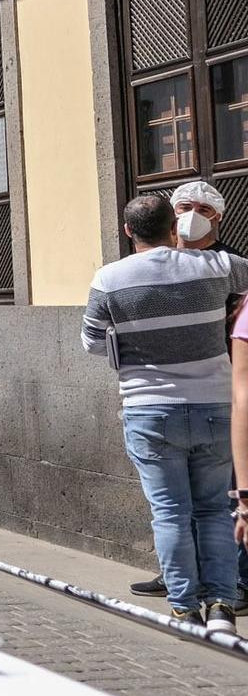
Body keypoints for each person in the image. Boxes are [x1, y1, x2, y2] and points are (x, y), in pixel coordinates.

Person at [81, 192, 248, 631]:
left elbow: (93, 341)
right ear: (173, 228)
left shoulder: (109, 278)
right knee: (215, 508)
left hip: (148, 409)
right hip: (214, 406)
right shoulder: (217, 266)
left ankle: (184, 605)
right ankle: (222, 605)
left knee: (170, 512)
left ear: (127, 231)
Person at [136, 179, 243, 598]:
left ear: (218, 217)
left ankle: (236, 580)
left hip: (225, 395)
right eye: (183, 206)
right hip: (164, 399)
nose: (192, 214)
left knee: (229, 495)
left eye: (203, 207)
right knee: (174, 502)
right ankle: (179, 574)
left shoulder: (229, 267)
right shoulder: (154, 266)